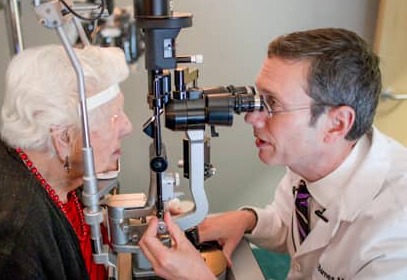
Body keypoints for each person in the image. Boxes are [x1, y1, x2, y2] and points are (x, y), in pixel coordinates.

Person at [139, 28, 407, 279]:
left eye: (273, 103)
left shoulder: (393, 234)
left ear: (336, 124)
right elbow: (292, 224)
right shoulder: (310, 160)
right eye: (258, 98)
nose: (252, 118)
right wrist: (247, 219)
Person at [0, 44, 133, 279]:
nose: (127, 127)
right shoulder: (14, 233)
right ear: (63, 138)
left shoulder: (41, 165)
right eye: (114, 117)